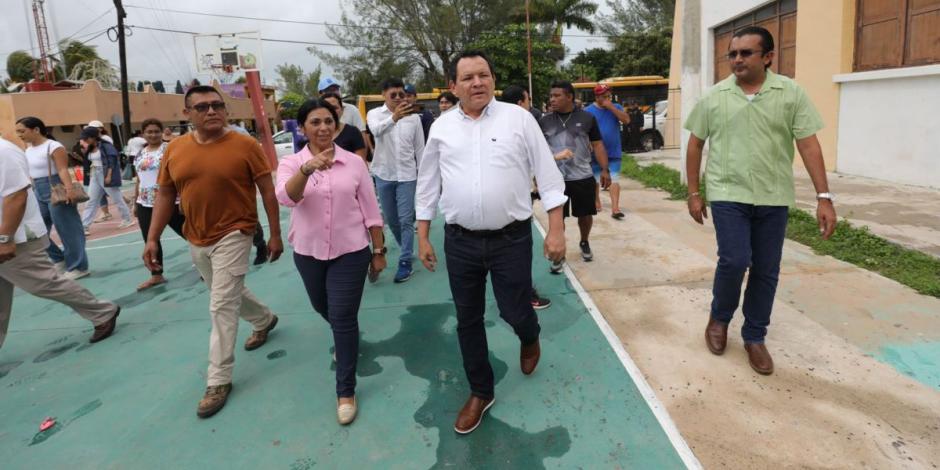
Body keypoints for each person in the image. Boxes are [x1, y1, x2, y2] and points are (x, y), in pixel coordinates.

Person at [416, 50, 568, 434]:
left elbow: (548, 177)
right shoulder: (441, 127)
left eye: (483, 75)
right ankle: (481, 391)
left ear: (493, 79)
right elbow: (428, 183)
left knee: (514, 310)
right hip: (460, 241)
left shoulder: (519, 119)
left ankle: (529, 335)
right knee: (467, 319)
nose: (477, 83)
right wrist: (421, 235)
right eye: (467, 78)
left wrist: (556, 229)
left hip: (510, 239)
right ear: (453, 86)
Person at [685, 26, 836, 376]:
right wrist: (694, 193)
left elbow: (808, 144)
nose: (737, 59)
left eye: (745, 53)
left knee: (766, 269)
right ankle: (719, 319)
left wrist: (824, 196)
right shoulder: (714, 97)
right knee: (735, 260)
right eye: (733, 54)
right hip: (727, 192)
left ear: (767, 57)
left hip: (773, 194)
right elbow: (695, 144)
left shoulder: (791, 93)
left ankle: (754, 335)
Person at [143, 85, 283, 418]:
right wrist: (152, 239)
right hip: (197, 236)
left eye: (217, 106)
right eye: (202, 107)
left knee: (221, 304)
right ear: (186, 114)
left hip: (236, 231)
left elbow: (267, 191)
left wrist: (275, 234)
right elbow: (164, 195)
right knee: (225, 292)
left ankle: (218, 379)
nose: (211, 112)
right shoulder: (175, 149)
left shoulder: (245, 145)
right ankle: (264, 319)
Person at [275, 99, 385, 425]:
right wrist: (307, 170)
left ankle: (345, 391)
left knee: (342, 315)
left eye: (328, 121)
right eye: (315, 122)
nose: (323, 127)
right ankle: (344, 336)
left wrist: (378, 251)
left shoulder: (354, 164)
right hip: (308, 253)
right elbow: (285, 198)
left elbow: (371, 210)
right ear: (302, 128)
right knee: (323, 307)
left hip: (351, 251)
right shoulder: (290, 163)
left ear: (336, 126)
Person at [0, 136, 120, 348]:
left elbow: (16, 196)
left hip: (15, 237)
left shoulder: (3, 152)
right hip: (8, 235)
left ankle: (102, 311)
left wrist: (4, 238)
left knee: (44, 283)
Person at [539, 80, 611, 272]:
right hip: (555, 179)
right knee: (557, 219)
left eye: (557, 96)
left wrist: (605, 170)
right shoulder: (544, 121)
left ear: (569, 96)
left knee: (585, 215)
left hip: (582, 176)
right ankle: (558, 254)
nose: (552, 99)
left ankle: (584, 241)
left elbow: (597, 144)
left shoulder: (587, 118)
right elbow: (538, 150)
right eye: (551, 96)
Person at [14, 117, 90, 279]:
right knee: (35, 230)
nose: (19, 134)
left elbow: (63, 169)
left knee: (68, 230)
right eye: (17, 132)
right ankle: (59, 258)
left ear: (36, 129)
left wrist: (69, 189)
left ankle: (79, 266)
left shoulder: (53, 146)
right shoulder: (27, 149)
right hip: (37, 191)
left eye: (22, 131)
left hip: (56, 188)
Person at [367, 77, 425, 283]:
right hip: (384, 175)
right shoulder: (374, 114)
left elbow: (420, 149)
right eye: (394, 95)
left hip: (408, 176)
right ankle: (406, 250)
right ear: (384, 95)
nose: (399, 98)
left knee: (406, 220)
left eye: (402, 94)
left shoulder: (414, 118)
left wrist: (424, 175)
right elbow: (375, 131)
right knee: (392, 221)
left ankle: (404, 262)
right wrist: (394, 118)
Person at [132, 119, 186, 291]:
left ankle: (206, 265)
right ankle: (156, 274)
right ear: (143, 134)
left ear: (162, 132)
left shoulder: (170, 149)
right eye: (149, 132)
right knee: (150, 239)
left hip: (170, 201)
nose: (153, 135)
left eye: (156, 131)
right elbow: (138, 178)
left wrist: (183, 198)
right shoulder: (140, 153)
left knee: (189, 233)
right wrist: (135, 201)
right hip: (145, 203)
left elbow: (179, 174)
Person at [585, 84, 631, 219]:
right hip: (595, 153)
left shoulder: (616, 108)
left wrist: (611, 107)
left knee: (614, 179)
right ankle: (596, 200)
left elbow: (626, 120)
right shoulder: (588, 111)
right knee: (595, 179)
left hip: (614, 151)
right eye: (604, 97)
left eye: (608, 96)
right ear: (597, 97)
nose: (607, 99)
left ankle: (615, 208)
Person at [78, 127, 135, 232]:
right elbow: (89, 162)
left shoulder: (106, 146)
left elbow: (112, 161)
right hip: (94, 174)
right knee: (91, 200)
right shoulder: (90, 148)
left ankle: (127, 219)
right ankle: (84, 226)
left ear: (93, 137)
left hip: (105, 174)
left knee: (117, 198)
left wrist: (108, 176)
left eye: (86, 138)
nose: (85, 140)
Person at [321, 92, 368, 160]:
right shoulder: (316, 133)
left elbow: (361, 161)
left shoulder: (353, 132)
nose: (331, 111)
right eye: (327, 107)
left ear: (342, 110)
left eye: (335, 108)